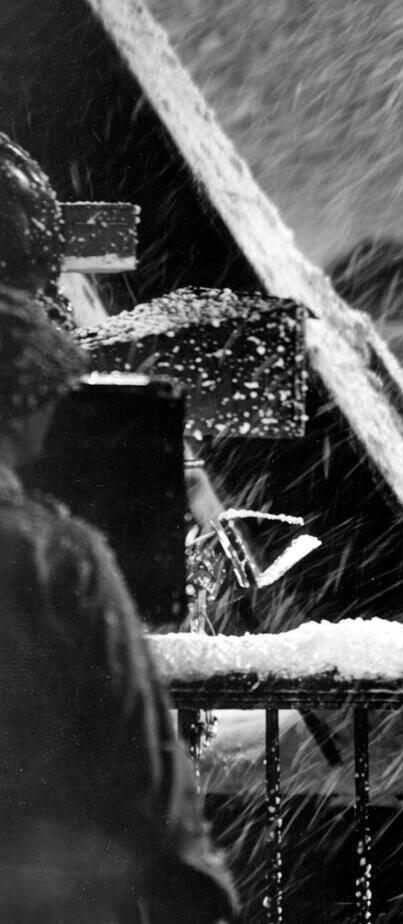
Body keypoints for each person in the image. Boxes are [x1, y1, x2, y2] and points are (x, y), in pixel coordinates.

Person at [0, 304, 239, 923]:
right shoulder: (56, 554)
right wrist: (187, 876)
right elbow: (135, 732)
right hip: (45, 879)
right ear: (23, 408)